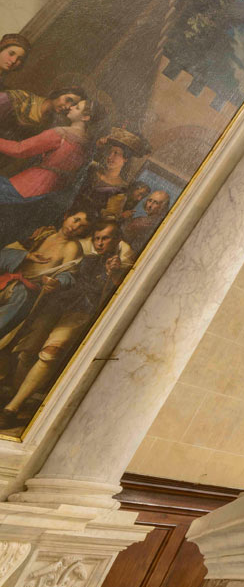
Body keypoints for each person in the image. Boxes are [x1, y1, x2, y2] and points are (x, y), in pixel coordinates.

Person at [0, 220, 129, 428]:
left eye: (105, 238)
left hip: (80, 313)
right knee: (26, 350)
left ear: (117, 240)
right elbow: (69, 278)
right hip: (57, 308)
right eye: (97, 238)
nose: (100, 243)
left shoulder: (124, 266)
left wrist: (113, 274)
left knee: (50, 353)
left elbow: (116, 299)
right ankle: (16, 396)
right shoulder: (86, 259)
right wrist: (56, 283)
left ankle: (12, 408)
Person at [0, 93, 99, 239]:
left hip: (29, 187)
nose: (71, 107)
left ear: (85, 117)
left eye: (77, 107)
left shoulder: (61, 134)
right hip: (52, 192)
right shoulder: (87, 144)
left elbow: (19, 149)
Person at [0, 210, 91, 348]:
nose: (75, 227)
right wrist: (26, 256)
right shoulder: (43, 234)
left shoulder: (72, 247)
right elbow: (4, 254)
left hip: (25, 293)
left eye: (82, 226)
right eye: (76, 220)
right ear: (66, 216)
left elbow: (68, 274)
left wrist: (57, 282)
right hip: (7, 280)